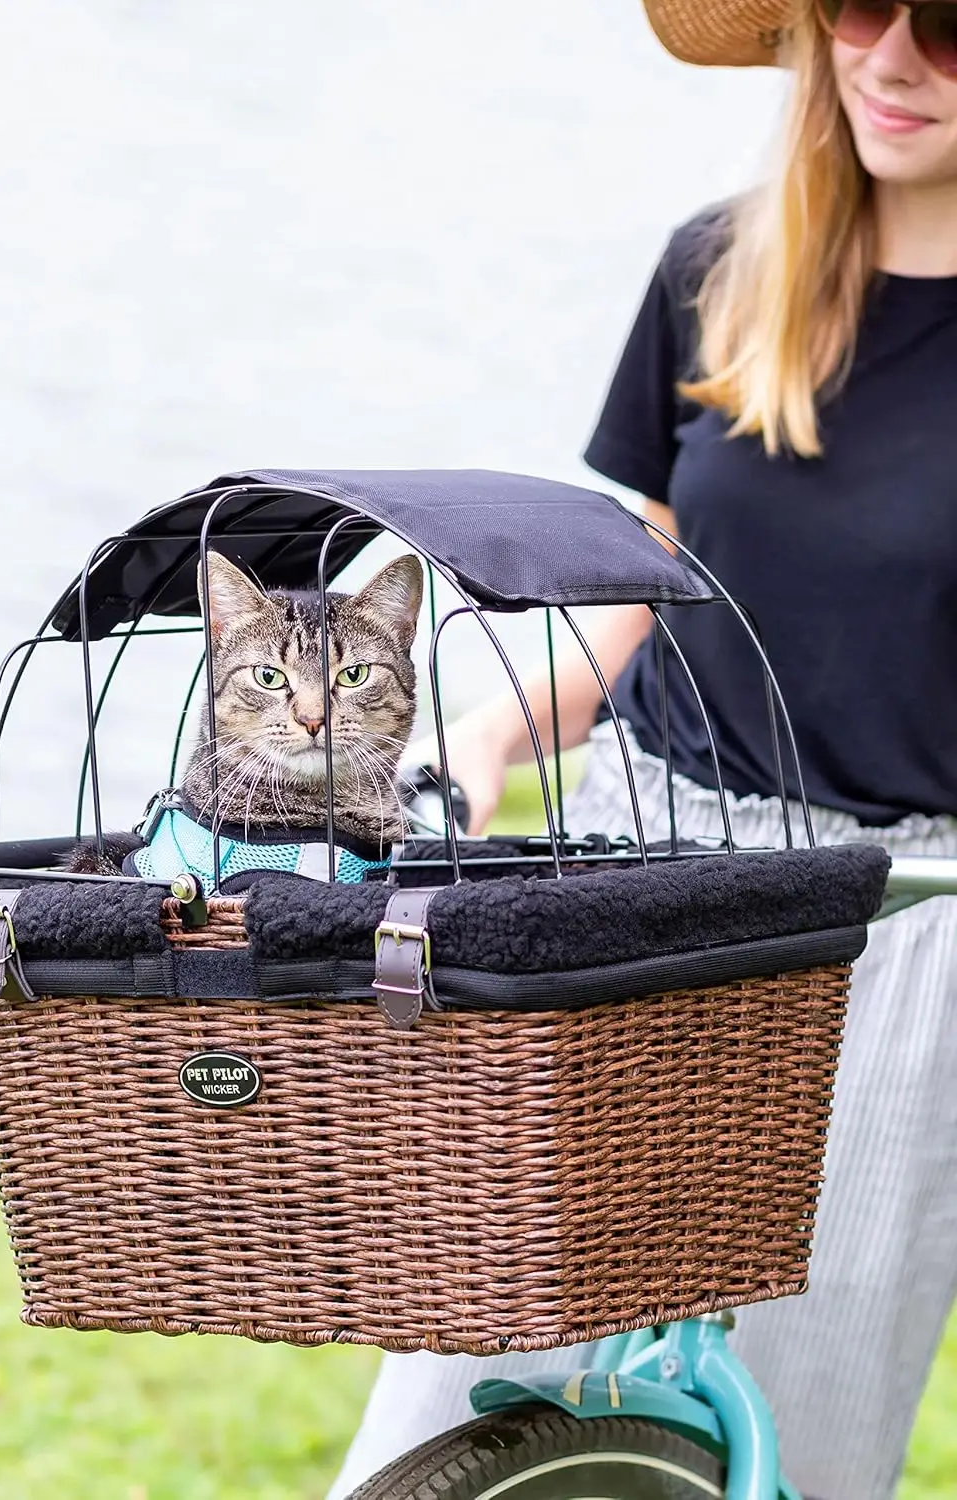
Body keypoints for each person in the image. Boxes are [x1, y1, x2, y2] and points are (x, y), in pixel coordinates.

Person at [326, 2, 957, 1498]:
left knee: (785, 1434)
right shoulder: (718, 271)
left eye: (949, 24)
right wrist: (485, 732)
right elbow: (634, 604)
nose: (890, 58)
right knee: (449, 1398)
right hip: (636, 883)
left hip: (899, 933)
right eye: (861, 9)